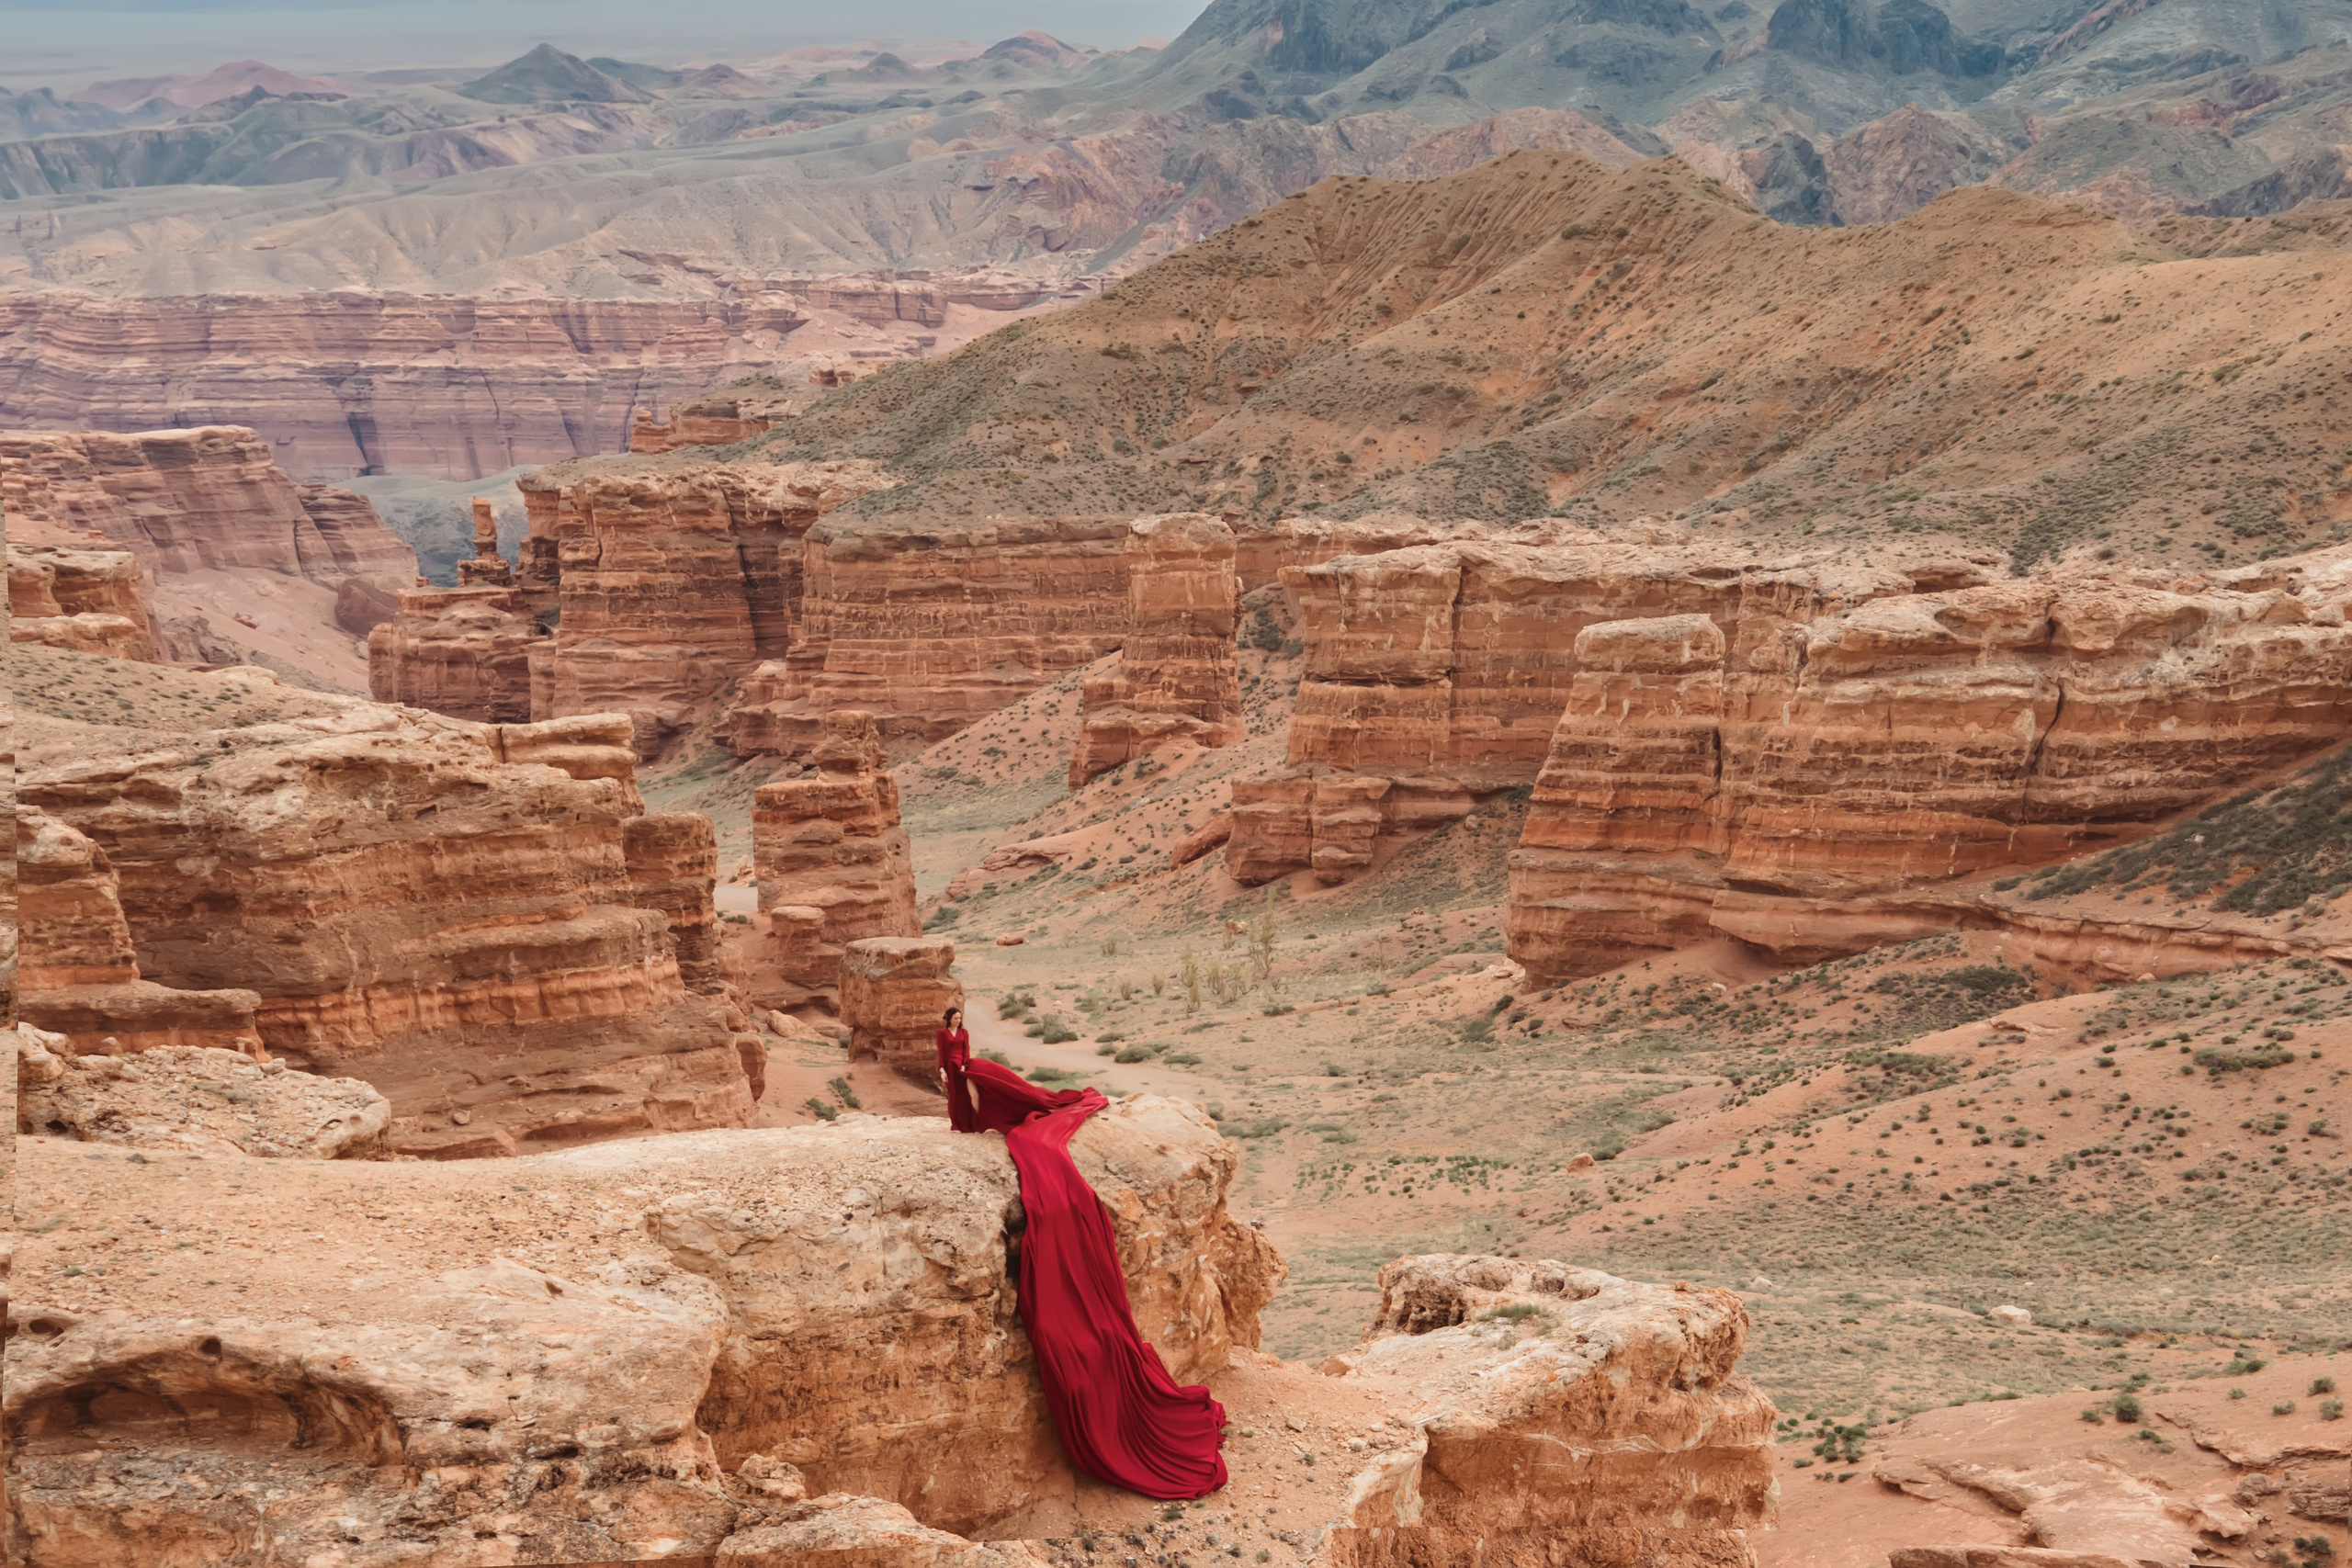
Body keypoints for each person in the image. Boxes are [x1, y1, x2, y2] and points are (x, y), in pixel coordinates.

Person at [935, 1007, 976, 1132]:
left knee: (965, 1096)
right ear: (949, 1019)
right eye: (955, 1018)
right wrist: (942, 1070)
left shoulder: (964, 1032)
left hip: (963, 1068)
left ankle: (967, 1125)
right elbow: (941, 1053)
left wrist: (964, 1064)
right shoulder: (942, 1033)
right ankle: (955, 1125)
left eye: (959, 1018)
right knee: (954, 1096)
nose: (958, 1020)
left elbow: (966, 1050)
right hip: (950, 1068)